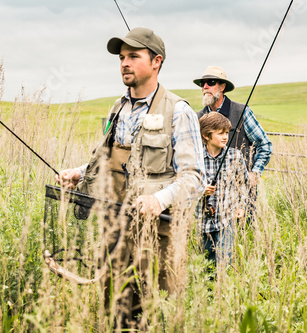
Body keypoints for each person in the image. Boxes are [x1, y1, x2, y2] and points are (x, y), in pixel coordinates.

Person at [56, 27, 205, 328]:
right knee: (115, 310)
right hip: (115, 231)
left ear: (156, 62)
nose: (124, 63)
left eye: (133, 56)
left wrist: (158, 201)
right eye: (122, 57)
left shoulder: (178, 111)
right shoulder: (118, 108)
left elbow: (195, 178)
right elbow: (107, 159)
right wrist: (79, 173)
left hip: (158, 237)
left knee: (156, 313)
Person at [194, 66, 272, 222]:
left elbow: (264, 145)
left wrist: (254, 173)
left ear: (223, 87)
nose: (205, 87)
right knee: (210, 240)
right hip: (210, 194)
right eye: (203, 83)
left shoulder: (241, 111)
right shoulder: (198, 118)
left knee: (244, 234)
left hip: (241, 188)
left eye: (211, 82)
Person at [195, 112, 248, 269]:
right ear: (206, 136)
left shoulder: (235, 156)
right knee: (206, 263)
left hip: (227, 219)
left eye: (226, 133)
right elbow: (185, 185)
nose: (225, 137)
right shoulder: (196, 158)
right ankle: (209, 292)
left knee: (224, 261)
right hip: (202, 221)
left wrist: (241, 205)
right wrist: (200, 190)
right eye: (220, 133)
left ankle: (222, 289)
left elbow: (243, 184)